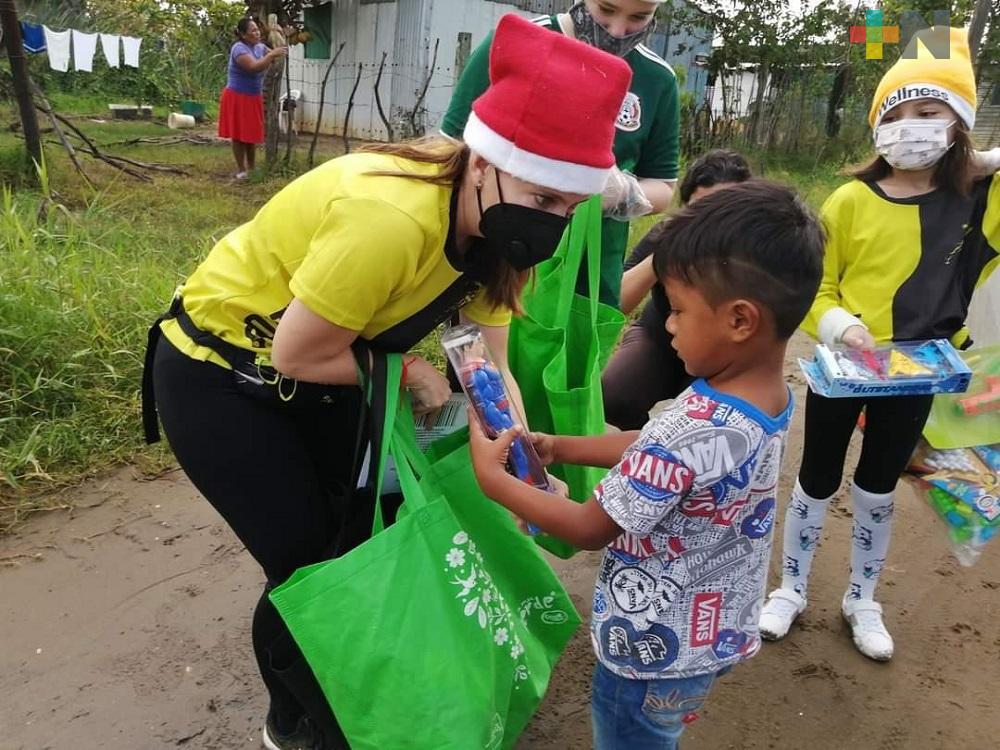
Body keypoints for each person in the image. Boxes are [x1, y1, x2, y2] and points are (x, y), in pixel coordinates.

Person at [140, 14, 631, 750]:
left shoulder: (504, 231)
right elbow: (300, 354)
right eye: (542, 198)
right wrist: (416, 372)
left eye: (569, 206)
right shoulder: (391, 217)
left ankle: (329, 711)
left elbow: (491, 364)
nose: (551, 221)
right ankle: (307, 725)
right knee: (313, 568)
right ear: (482, 160)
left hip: (338, 366)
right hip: (224, 374)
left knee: (364, 541)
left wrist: (523, 457)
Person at [470, 179, 825, 750]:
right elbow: (655, 443)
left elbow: (588, 526)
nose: (667, 325)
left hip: (649, 652)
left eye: (678, 310)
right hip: (714, 636)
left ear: (740, 320)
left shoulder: (694, 423)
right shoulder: (762, 399)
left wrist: (492, 481)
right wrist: (563, 446)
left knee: (631, 738)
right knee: (659, 732)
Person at [758, 27, 1000, 662]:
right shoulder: (847, 199)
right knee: (814, 478)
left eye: (929, 112)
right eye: (896, 115)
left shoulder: (977, 204)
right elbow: (815, 288)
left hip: (921, 375)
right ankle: (791, 588)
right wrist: (845, 329)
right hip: (846, 369)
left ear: (959, 123)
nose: (911, 127)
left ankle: (863, 598)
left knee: (877, 486)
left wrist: (986, 163)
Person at [442, 0, 680, 307]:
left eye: (639, 17)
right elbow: (452, 148)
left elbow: (663, 188)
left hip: (591, 266)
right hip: (501, 249)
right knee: (485, 348)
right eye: (606, 10)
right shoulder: (515, 43)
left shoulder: (657, 79)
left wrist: (619, 192)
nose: (618, 30)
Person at [603, 149, 752, 429]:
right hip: (660, 336)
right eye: (702, 212)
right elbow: (616, 302)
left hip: (724, 352)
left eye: (728, 211)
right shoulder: (667, 234)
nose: (714, 224)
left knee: (706, 421)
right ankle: (641, 451)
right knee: (614, 395)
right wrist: (661, 257)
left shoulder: (759, 248)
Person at [218, 17, 286, 180]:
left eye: (257, 29)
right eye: (252, 31)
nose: (257, 33)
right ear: (243, 34)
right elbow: (254, 67)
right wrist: (271, 56)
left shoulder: (260, 47)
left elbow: (278, 55)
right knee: (239, 135)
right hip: (237, 96)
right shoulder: (239, 49)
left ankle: (252, 168)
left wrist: (279, 35)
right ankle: (241, 169)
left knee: (251, 134)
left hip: (253, 97)